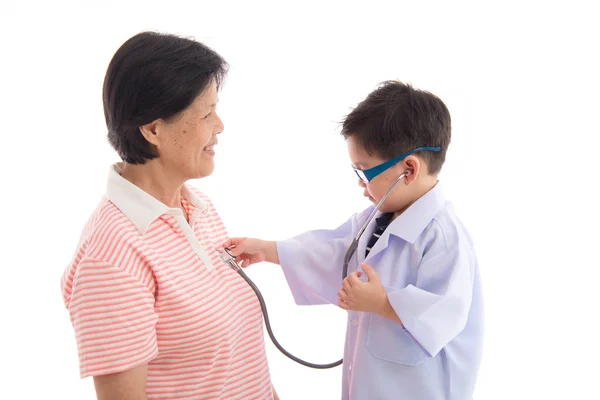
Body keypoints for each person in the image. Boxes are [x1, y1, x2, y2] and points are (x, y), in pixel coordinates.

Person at [224, 81, 483, 400]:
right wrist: (266, 250)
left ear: (408, 170)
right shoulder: (378, 217)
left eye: (364, 172)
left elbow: (445, 312)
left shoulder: (444, 237)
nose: (361, 185)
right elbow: (335, 252)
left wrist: (382, 302)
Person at [61, 31, 277, 400]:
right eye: (207, 113)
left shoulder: (198, 208)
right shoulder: (111, 258)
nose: (220, 125)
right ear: (153, 129)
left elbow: (238, 363)